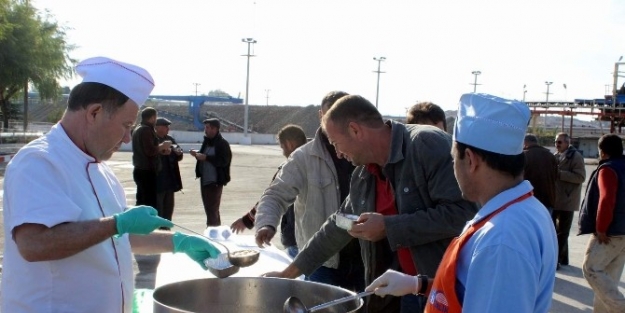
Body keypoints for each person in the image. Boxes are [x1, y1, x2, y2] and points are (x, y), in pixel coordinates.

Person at [0, 56, 220, 312]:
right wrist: (117, 223)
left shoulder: (103, 173)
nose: (127, 138)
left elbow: (115, 237)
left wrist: (179, 242)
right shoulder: (40, 162)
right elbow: (34, 244)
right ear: (94, 112)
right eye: (126, 126)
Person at [262, 94, 478, 313]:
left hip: (442, 289)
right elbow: (338, 227)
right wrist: (286, 274)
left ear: (356, 130)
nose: (337, 153)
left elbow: (465, 213)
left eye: (336, 143)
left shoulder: (427, 144)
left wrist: (389, 227)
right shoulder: (363, 176)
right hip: (404, 292)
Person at [366, 93, 558, 313]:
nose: (453, 168)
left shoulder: (502, 237)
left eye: (452, 159)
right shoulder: (520, 211)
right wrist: (418, 284)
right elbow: (475, 291)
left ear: (470, 160)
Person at [255, 91, 366, 293]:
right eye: (330, 114)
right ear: (320, 116)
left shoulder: (365, 154)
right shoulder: (303, 158)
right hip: (321, 261)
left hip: (364, 258)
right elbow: (275, 195)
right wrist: (266, 223)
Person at [230, 124, 308, 258]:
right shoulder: (318, 164)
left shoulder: (288, 170)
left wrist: (247, 220)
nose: (283, 152)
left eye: (282, 147)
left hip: (296, 238)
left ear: (289, 144)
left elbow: (271, 198)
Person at [579, 134, 625, 312]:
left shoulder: (608, 169)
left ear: (602, 152)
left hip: (610, 232)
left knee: (591, 269)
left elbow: (606, 200)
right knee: (609, 279)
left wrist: (601, 228)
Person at [553, 132, 586, 268]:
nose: (557, 144)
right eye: (556, 142)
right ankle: (563, 258)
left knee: (563, 232)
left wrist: (560, 174)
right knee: (554, 231)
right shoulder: (555, 156)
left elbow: (580, 177)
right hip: (555, 198)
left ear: (567, 143)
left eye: (560, 142)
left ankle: (557, 261)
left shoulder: (575, 157)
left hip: (567, 199)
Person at [191, 118, 232, 226]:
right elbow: (204, 156)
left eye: (209, 128)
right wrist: (197, 154)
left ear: (215, 129)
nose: (207, 130)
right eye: (206, 127)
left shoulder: (222, 144)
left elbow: (223, 161)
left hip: (215, 182)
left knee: (212, 210)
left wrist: (206, 158)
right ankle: (213, 231)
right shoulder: (207, 142)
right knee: (209, 210)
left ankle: (213, 233)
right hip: (205, 180)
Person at [132, 107, 171, 208]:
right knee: (149, 203)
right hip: (146, 171)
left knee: (141, 200)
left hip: (139, 168)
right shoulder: (146, 130)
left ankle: (139, 222)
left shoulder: (138, 128)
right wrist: (162, 146)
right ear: (152, 117)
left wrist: (161, 152)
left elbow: (145, 151)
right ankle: (146, 223)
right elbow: (150, 151)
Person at [155, 117, 183, 222]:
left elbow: (179, 151)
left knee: (168, 209)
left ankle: (166, 229)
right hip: (158, 181)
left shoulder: (170, 139)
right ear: (157, 127)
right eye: (165, 126)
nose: (168, 128)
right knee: (158, 210)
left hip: (170, 181)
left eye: (168, 126)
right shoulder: (153, 140)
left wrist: (178, 152)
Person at [523, 134, 558, 213]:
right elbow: (555, 176)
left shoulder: (524, 155)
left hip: (530, 199)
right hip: (548, 198)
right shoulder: (550, 155)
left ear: (525, 142)